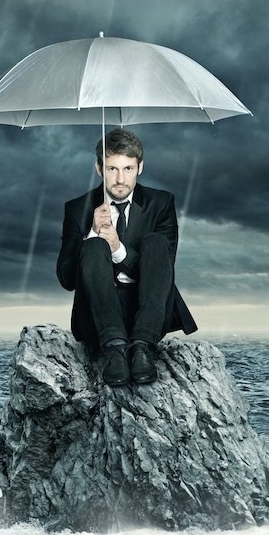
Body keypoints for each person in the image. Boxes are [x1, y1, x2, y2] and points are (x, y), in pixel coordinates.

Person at [56, 128, 197, 386]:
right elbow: (66, 279)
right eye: (112, 169)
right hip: (97, 318)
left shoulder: (161, 203)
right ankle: (115, 349)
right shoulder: (77, 208)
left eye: (128, 169)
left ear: (140, 167)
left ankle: (142, 348)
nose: (120, 179)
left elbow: (162, 270)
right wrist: (91, 234)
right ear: (99, 168)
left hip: (147, 313)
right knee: (93, 246)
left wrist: (118, 248)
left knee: (157, 243)